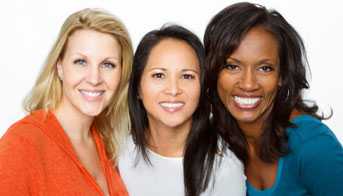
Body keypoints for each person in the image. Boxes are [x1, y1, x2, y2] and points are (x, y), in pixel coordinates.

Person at [204, 2, 343, 196]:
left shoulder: (312, 145)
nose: (248, 84)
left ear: (282, 76)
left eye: (264, 68)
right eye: (232, 66)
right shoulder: (218, 139)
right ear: (213, 71)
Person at [0, 8, 132, 196]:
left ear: (122, 73)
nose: (94, 78)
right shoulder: (22, 143)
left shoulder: (105, 142)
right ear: (59, 66)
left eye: (107, 64)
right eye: (80, 62)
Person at [117, 25, 246, 196]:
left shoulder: (224, 168)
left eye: (187, 76)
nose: (173, 90)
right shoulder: (118, 151)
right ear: (138, 88)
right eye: (159, 75)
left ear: (202, 87)